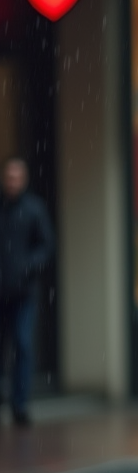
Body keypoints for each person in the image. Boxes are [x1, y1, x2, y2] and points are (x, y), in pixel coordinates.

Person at [0, 158, 54, 428]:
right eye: (8, 176)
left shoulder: (34, 210)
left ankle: (19, 405)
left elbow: (46, 247)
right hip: (1, 292)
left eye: (16, 176)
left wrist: (28, 267)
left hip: (23, 294)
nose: (12, 182)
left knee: (22, 344)